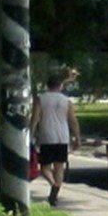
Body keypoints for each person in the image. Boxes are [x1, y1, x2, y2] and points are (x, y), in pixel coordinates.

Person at [30, 71, 81, 206]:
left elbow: (35, 118)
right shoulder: (67, 101)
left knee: (44, 168)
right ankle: (56, 191)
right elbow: (73, 121)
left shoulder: (41, 99)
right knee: (59, 167)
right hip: (62, 137)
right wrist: (77, 137)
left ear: (48, 85)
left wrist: (31, 134)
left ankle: (53, 185)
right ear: (60, 86)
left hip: (46, 136)